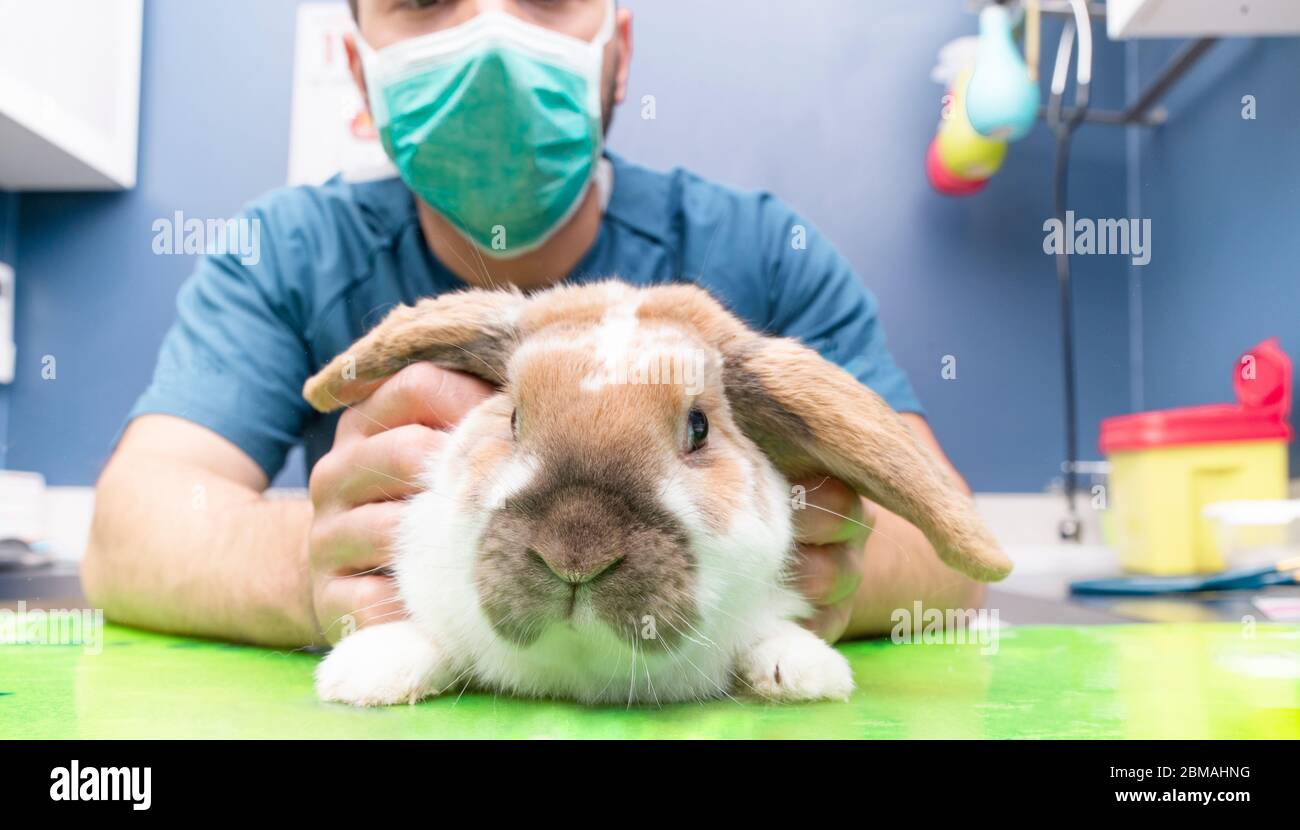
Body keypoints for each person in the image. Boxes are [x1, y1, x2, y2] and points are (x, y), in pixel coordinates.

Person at [84, 0, 986, 649]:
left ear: (617, 52)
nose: (490, 43)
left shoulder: (766, 253)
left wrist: (759, 570)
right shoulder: (283, 251)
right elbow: (133, 528)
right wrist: (331, 570)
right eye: (428, 0)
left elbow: (952, 554)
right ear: (360, 66)